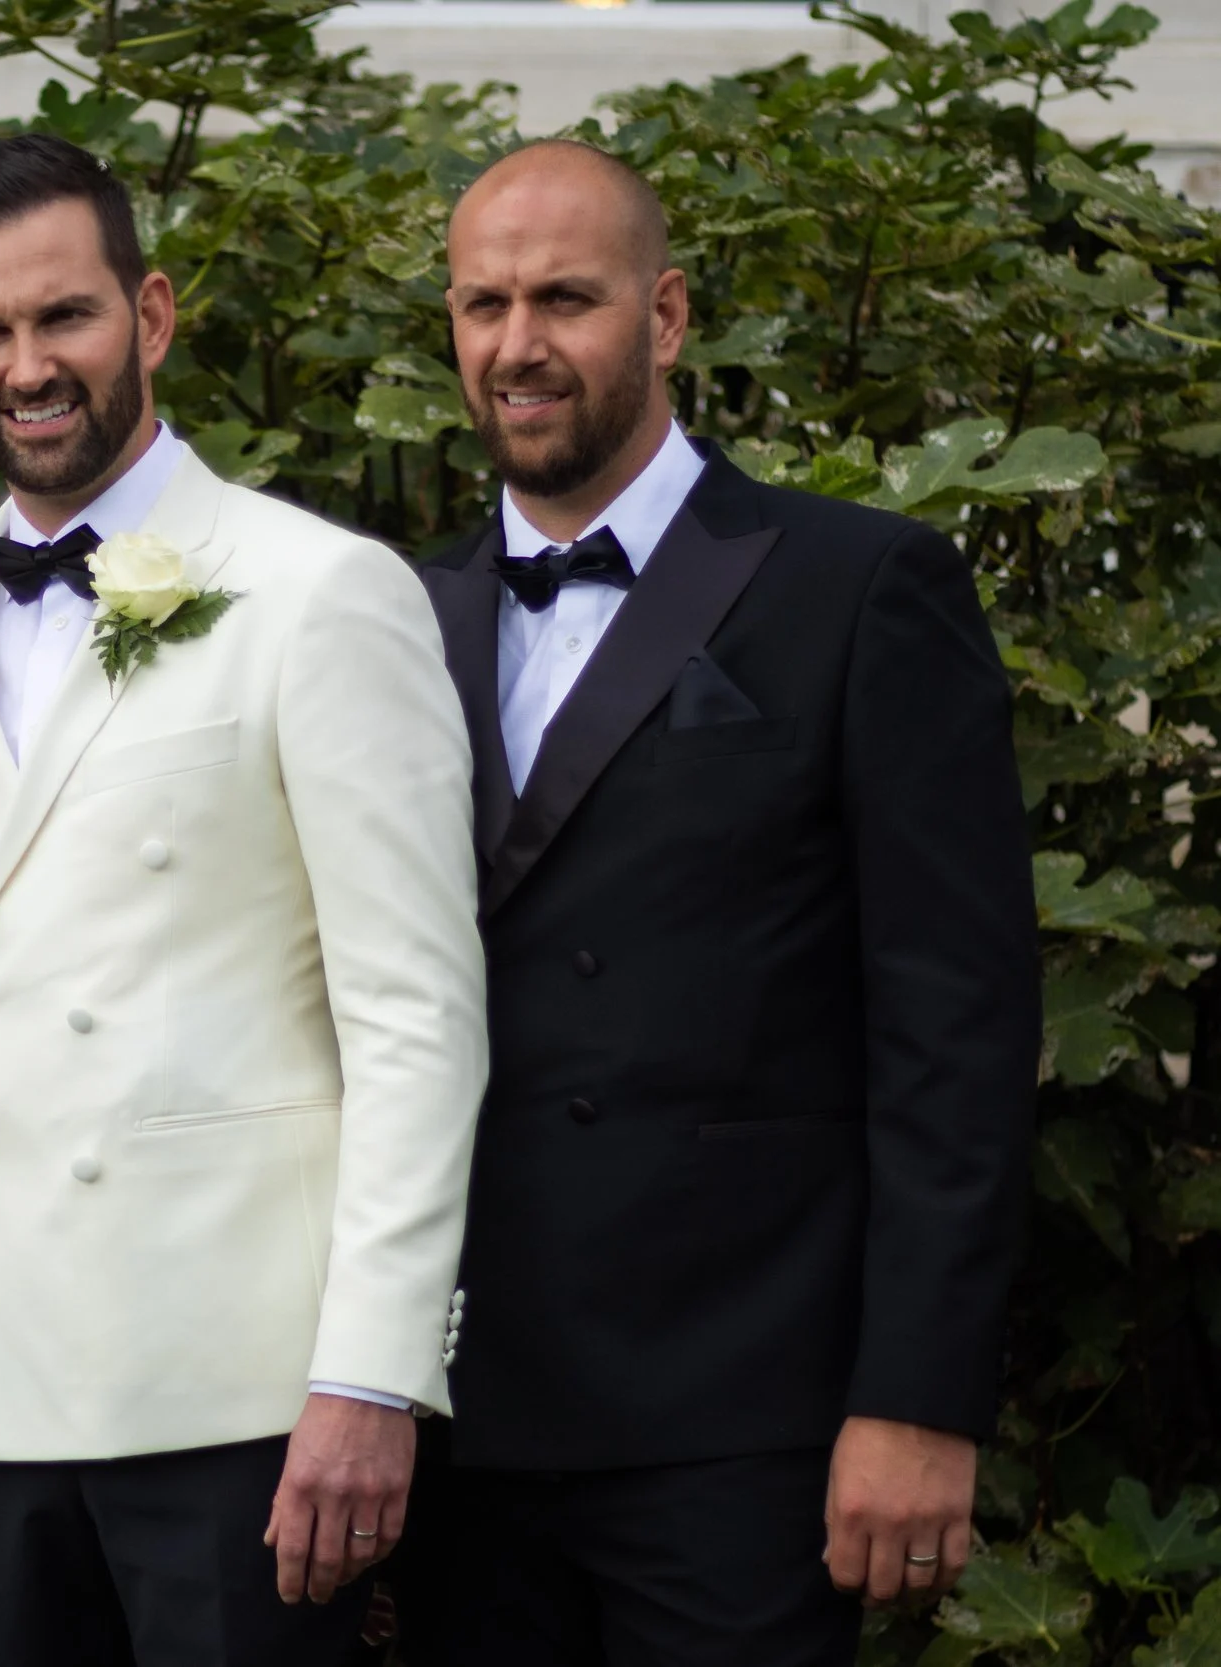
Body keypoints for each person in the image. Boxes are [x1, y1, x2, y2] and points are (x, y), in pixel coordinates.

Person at [389, 140, 1039, 1666]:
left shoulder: (863, 585)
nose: (519, 344)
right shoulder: (392, 616)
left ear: (667, 314)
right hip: (466, 1412)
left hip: (746, 1420)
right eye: (484, 303)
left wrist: (920, 1395)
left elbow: (958, 1028)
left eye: (567, 297)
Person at [0, 133, 488, 1667]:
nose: (29, 365)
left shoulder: (321, 590)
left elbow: (419, 1019)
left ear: (149, 315)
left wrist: (374, 1372)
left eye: (64, 317)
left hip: (250, 1394)